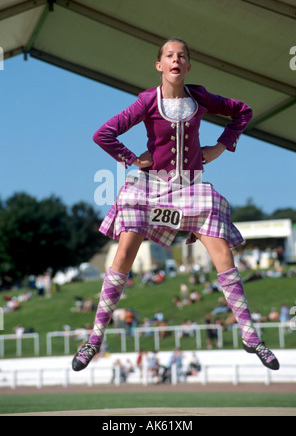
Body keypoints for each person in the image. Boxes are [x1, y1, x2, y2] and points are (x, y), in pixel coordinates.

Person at [72, 38, 279, 372]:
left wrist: (222, 145)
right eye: (169, 55)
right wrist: (131, 159)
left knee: (223, 252)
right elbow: (103, 134)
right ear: (159, 65)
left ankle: (250, 335)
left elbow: (243, 111)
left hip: (191, 188)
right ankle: (95, 338)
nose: (176, 59)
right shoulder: (146, 101)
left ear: (188, 66)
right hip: (150, 186)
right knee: (124, 252)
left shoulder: (200, 97)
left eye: (182, 56)